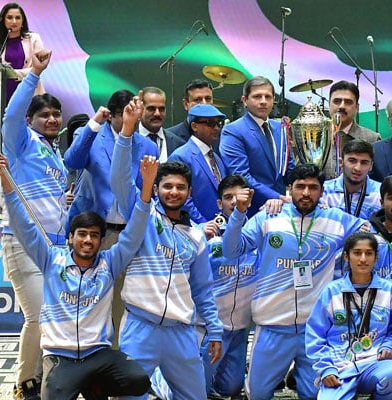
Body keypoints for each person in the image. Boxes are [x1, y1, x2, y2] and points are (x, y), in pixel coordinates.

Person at [0, 150, 155, 399]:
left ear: (101, 241)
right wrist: (5, 181)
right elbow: (23, 225)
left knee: (138, 380)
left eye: (94, 235)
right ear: (71, 237)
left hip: (98, 353)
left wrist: (146, 189)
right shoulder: (50, 259)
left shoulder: (109, 263)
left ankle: (93, 384)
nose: (88, 240)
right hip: (61, 356)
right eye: (82, 234)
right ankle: (81, 383)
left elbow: (134, 233)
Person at [222, 163, 367, 400]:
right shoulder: (268, 217)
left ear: (322, 191)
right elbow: (230, 251)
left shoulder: (337, 220)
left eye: (313, 187)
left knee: (314, 395)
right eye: (300, 187)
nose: (306, 193)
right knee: (257, 394)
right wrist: (238, 214)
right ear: (289, 190)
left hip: (315, 329)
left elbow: (371, 235)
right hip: (272, 325)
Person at [110, 95, 223, 399]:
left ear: (189, 192)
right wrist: (127, 133)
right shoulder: (142, 217)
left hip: (181, 333)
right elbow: (120, 179)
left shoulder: (196, 236)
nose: (173, 192)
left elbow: (202, 289)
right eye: (167, 186)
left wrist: (213, 328)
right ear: (156, 188)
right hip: (139, 329)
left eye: (180, 187)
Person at [64, 89, 159, 348]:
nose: (131, 120)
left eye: (135, 115)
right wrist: (93, 124)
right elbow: (71, 161)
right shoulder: (93, 136)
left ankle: (117, 356)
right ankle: (84, 352)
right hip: (97, 231)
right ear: (114, 115)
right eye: (125, 115)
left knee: (124, 300)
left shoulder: (148, 145)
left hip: (130, 232)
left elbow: (147, 191)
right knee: (91, 297)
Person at [150, 174, 258, 400]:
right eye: (228, 197)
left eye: (238, 197)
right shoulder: (203, 235)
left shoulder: (256, 236)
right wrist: (199, 230)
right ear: (219, 204)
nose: (233, 202)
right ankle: (159, 377)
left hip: (240, 327)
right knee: (194, 390)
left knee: (230, 388)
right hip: (209, 327)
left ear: (248, 200)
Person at [0, 49, 65, 400]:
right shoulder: (21, 143)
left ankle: (43, 382)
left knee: (50, 317)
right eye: (44, 115)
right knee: (38, 317)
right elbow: (10, 116)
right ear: (31, 120)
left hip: (52, 247)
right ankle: (25, 385)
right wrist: (33, 77)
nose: (52, 119)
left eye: (56, 114)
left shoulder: (55, 154)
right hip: (21, 242)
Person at [306, 232, 392, 399]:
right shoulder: (331, 292)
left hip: (375, 364)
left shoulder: (389, 290)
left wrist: (388, 346)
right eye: (357, 253)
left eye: (369, 253)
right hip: (340, 367)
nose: (363, 259)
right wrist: (326, 368)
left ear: (376, 258)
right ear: (346, 256)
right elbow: (315, 335)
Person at [220, 75, 295, 217]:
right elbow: (242, 176)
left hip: (281, 210)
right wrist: (277, 197)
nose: (263, 101)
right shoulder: (233, 131)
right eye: (257, 96)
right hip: (252, 210)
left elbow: (288, 168)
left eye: (268, 97)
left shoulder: (281, 128)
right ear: (245, 100)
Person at [168, 103, 228, 223]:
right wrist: (203, 225)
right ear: (195, 126)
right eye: (210, 123)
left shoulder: (216, 157)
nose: (216, 128)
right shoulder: (180, 156)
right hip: (193, 230)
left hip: (220, 228)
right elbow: (182, 199)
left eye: (219, 123)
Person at [323, 80, 381, 179]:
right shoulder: (314, 136)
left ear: (357, 107)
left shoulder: (373, 139)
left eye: (348, 102)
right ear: (329, 105)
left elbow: (377, 179)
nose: (341, 106)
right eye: (336, 101)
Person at [0, 2, 44, 103]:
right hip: (3, 92)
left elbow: (38, 68)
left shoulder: (34, 38)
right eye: (9, 17)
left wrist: (10, 73)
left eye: (18, 18)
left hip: (28, 91)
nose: (14, 21)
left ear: (23, 21)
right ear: (3, 20)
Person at [321, 139, 382, 220]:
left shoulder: (381, 192)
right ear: (340, 162)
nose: (358, 168)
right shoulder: (324, 190)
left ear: (371, 166)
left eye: (364, 162)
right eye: (352, 161)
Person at [137, 86, 185, 162]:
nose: (157, 114)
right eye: (151, 109)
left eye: (161, 109)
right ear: (140, 109)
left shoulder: (178, 144)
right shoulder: (128, 141)